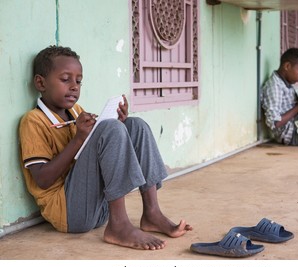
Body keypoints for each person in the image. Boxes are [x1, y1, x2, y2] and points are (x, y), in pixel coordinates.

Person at [19, 45, 192, 250]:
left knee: (136, 126)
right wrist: (79, 139)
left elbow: (97, 147)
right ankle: (119, 225)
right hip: (69, 213)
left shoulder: (75, 112)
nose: (74, 86)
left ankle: (152, 213)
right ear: (40, 82)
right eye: (65, 79)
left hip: (97, 209)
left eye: (78, 81)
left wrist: (120, 124)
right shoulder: (33, 121)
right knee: (110, 129)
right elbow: (43, 179)